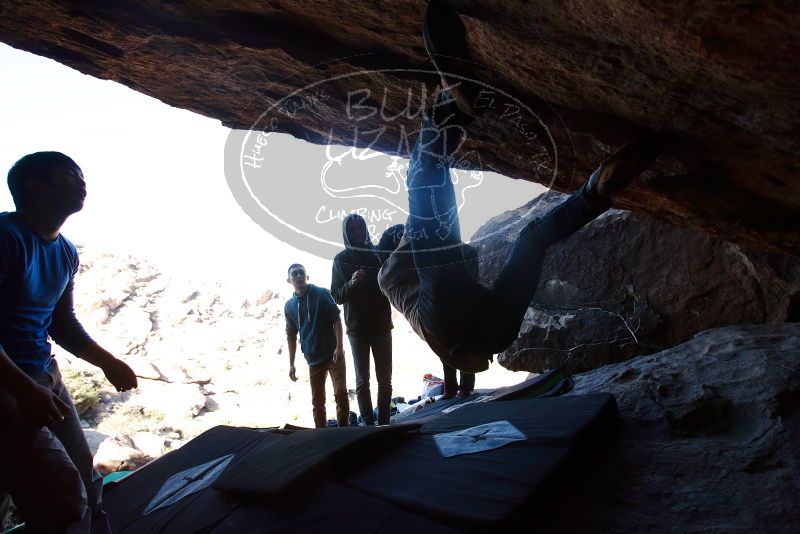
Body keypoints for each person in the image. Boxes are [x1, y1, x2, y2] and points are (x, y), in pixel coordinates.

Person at [378, 1, 659, 374]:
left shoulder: (407, 285)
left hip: (492, 333)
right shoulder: (386, 276)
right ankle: (450, 107)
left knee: (532, 241)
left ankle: (592, 194)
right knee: (422, 178)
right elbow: (423, 239)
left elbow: (462, 257)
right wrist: (424, 226)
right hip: (445, 313)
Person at [0, 151, 138, 533]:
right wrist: (22, 388)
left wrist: (107, 361)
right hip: (9, 384)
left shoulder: (64, 252)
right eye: (69, 174)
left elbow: (61, 322)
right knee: (61, 495)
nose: (82, 182)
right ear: (34, 185)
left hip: (45, 376)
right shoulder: (6, 237)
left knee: (88, 481)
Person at [331, 215, 393, 425]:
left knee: (385, 379)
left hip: (382, 326)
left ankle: (384, 422)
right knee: (362, 381)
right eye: (352, 229)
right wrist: (351, 283)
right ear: (346, 233)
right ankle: (367, 424)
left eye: (360, 228)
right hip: (357, 330)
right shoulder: (340, 260)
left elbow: (391, 283)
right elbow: (337, 296)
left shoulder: (377, 254)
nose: (357, 233)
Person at [284, 263, 349, 428]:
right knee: (318, 401)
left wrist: (339, 347)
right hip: (313, 358)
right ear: (288, 280)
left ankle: (344, 429)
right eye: (294, 274)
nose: (298, 276)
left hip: (333, 354)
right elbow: (291, 335)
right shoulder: (289, 306)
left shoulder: (321, 294)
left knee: (340, 392)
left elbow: (336, 320)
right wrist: (291, 364)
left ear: (307, 276)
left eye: (301, 273)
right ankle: (321, 434)